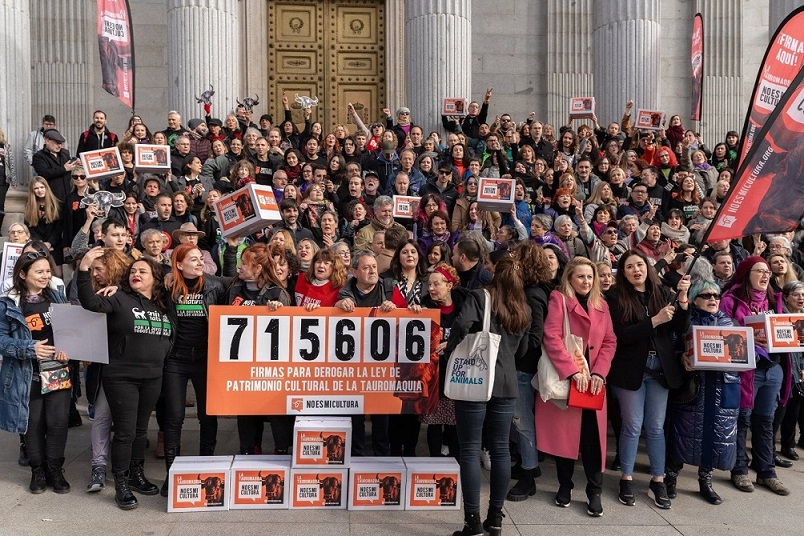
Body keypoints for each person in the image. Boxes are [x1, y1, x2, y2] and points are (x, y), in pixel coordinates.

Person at [77, 249, 173, 510]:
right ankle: (120, 483)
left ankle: (135, 474)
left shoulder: (162, 304)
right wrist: (84, 269)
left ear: (155, 277)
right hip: (122, 377)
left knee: (142, 431)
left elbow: (171, 333)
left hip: (153, 376)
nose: (136, 274)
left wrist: (163, 353)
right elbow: (89, 303)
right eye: (132, 271)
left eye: (142, 271)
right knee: (125, 432)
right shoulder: (117, 297)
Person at [445, 256, 530, 536]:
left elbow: (461, 325)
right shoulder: (523, 307)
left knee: (469, 448)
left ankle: (472, 522)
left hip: (475, 380)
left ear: (495, 274)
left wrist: (451, 348)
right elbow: (522, 350)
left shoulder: (480, 297)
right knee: (501, 449)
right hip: (505, 384)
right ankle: (495, 518)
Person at [607, 250, 690, 509]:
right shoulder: (614, 297)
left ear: (648, 267)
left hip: (660, 368)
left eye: (639, 265)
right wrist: (653, 321)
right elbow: (621, 335)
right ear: (623, 272)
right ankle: (627, 478)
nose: (636, 270)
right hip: (630, 369)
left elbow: (680, 328)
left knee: (655, 427)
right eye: (629, 266)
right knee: (632, 425)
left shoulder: (663, 293)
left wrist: (684, 300)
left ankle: (658, 480)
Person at [537, 257, 616, 516]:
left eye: (590, 277)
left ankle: (594, 492)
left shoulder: (601, 304)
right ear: (570, 277)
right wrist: (572, 371)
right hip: (570, 380)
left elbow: (609, 342)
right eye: (580, 276)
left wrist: (600, 373)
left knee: (594, 441)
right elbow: (551, 336)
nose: (586, 281)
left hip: (593, 383)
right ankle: (565, 486)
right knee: (566, 438)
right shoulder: (559, 299)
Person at [158, 244, 227, 496]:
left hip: (206, 359)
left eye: (201, 258)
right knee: (174, 417)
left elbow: (239, 283)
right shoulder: (167, 287)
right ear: (178, 265)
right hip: (175, 359)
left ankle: (206, 465)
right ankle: (171, 473)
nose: (200, 263)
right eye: (194, 259)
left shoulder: (214, 286)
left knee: (207, 415)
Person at [0, 251, 70, 494]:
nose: (45, 276)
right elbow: (1, 340)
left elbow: (71, 329)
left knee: (59, 424)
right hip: (26, 373)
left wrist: (67, 348)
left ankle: (56, 470)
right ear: (22, 274)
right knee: (33, 424)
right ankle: (37, 471)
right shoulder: (8, 303)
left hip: (58, 370)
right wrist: (29, 348)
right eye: (39, 272)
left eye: (48, 271)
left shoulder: (57, 297)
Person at [719, 256, 790, 495]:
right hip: (746, 370)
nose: (765, 275)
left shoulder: (775, 300)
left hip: (773, 369)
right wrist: (748, 337)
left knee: (766, 422)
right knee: (742, 420)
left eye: (767, 271)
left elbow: (789, 331)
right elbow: (722, 334)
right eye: (759, 271)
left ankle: (766, 472)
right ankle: (739, 469)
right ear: (746, 273)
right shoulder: (731, 300)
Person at [666, 279, 738, 505]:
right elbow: (673, 347)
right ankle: (670, 477)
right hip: (693, 387)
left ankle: (706, 481)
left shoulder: (729, 323)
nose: (713, 299)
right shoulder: (686, 321)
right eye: (706, 295)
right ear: (695, 299)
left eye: (716, 296)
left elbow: (746, 352)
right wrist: (682, 358)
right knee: (682, 433)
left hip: (721, 387)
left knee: (714, 437)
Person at [81, 247, 131, 493]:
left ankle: (127, 468)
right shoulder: (91, 290)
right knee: (101, 416)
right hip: (102, 367)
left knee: (126, 422)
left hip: (128, 366)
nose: (94, 274)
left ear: (112, 268)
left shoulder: (130, 289)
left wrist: (120, 292)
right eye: (91, 270)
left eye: (98, 269)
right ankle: (98, 465)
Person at [506, 242, 552, 502]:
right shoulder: (533, 290)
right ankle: (525, 462)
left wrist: (514, 355)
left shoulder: (533, 294)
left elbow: (535, 335)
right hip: (521, 365)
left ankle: (528, 474)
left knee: (522, 422)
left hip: (523, 367)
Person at [420, 262, 466, 458]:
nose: (431, 288)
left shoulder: (464, 303)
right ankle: (434, 465)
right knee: (434, 424)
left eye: (436, 284)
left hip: (457, 374)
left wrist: (450, 343)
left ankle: (455, 469)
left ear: (449, 284)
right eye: (429, 284)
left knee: (454, 428)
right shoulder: (425, 305)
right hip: (434, 376)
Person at [779, 282, 804, 462]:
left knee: (794, 409)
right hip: (783, 367)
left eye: (803, 295)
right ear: (786, 297)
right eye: (796, 294)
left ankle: (788, 445)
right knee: (780, 409)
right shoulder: (780, 317)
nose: (801, 298)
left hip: (799, 370)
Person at [32, 128, 79, 203]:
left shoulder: (65, 153)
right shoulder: (38, 156)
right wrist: (64, 169)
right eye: (57, 143)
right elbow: (44, 173)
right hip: (52, 196)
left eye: (61, 143)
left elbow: (70, 169)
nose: (60, 146)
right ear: (47, 141)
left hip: (69, 193)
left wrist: (76, 164)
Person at [0, 126, 17, 232]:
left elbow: (11, 163)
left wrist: (14, 181)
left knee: (1, 205)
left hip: (2, 179)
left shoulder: (6, 146)